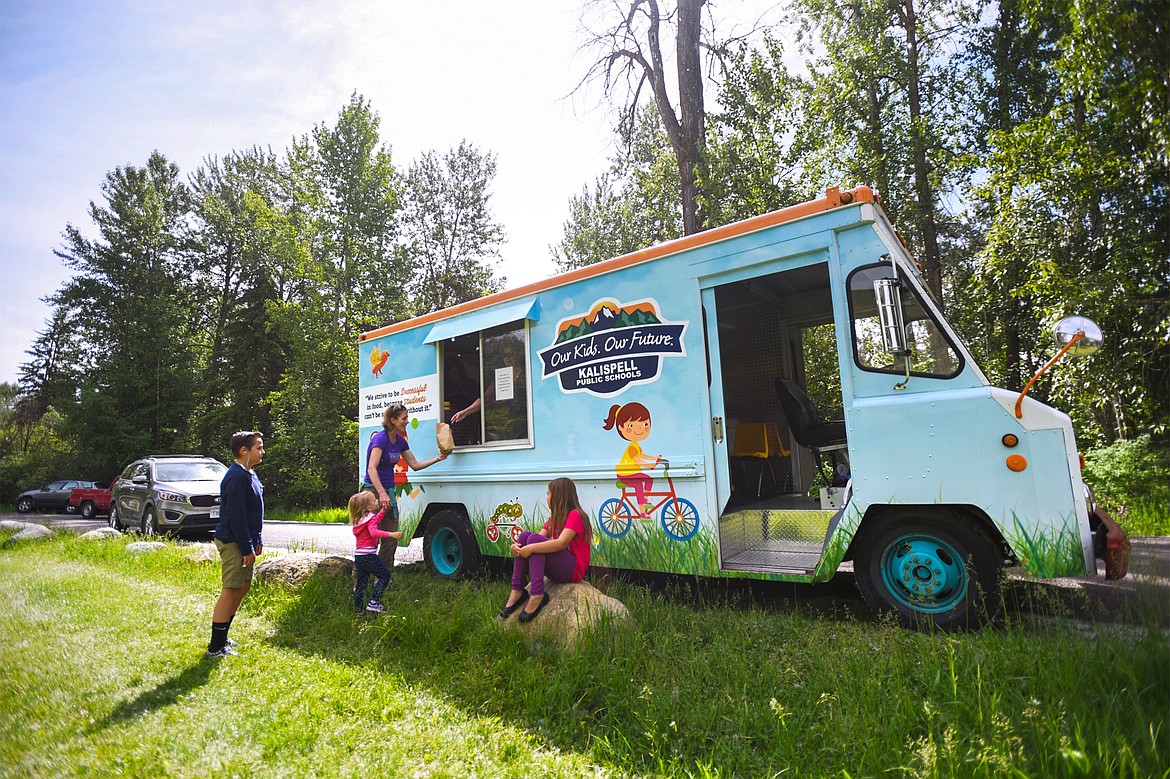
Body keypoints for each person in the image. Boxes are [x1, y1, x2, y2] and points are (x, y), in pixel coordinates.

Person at [363, 404, 449, 572]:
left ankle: (382, 578)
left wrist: (438, 459)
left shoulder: (400, 441)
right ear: (392, 420)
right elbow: (371, 468)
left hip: (387, 493)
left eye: (407, 418)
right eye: (404, 419)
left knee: (390, 538)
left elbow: (414, 465)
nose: (407, 422)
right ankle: (359, 580)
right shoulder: (380, 439)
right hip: (372, 493)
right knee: (369, 538)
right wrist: (381, 493)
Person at [499, 477, 592, 623]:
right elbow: (537, 537)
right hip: (560, 568)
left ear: (558, 496)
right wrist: (516, 546)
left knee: (534, 542)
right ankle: (517, 590)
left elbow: (561, 543)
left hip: (574, 571)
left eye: (548, 494)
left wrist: (531, 548)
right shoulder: (554, 518)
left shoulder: (576, 515)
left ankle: (537, 594)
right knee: (525, 536)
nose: (547, 497)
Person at [206, 431, 265, 660]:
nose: (262, 452)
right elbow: (236, 517)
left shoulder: (250, 474)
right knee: (230, 590)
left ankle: (223, 638)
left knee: (243, 586)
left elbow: (255, 512)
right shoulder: (235, 478)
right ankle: (215, 647)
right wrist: (247, 547)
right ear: (244, 451)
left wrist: (257, 540)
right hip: (233, 541)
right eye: (258, 448)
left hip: (246, 541)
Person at [602, 402, 662, 519]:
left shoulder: (636, 445)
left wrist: (655, 458)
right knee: (639, 485)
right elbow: (638, 461)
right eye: (631, 426)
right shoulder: (631, 447)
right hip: (625, 474)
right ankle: (642, 512)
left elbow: (643, 455)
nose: (639, 429)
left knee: (649, 479)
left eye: (645, 424)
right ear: (621, 428)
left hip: (633, 473)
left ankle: (644, 498)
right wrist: (650, 466)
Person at [349, 490, 401, 614]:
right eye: (374, 500)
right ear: (368, 507)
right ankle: (374, 602)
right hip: (369, 556)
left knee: (361, 583)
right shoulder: (370, 518)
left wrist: (383, 511)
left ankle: (358, 610)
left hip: (359, 557)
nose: (376, 501)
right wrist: (391, 534)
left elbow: (374, 521)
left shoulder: (359, 520)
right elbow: (373, 532)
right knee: (385, 575)